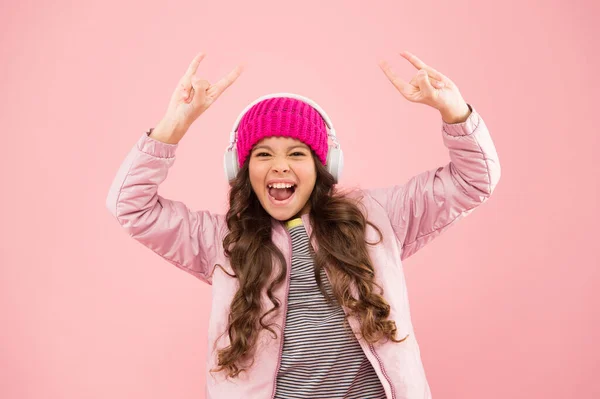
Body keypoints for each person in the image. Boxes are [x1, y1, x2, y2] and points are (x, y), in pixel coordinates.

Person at [106, 51, 501, 399]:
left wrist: (454, 112)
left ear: (322, 166)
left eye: (297, 152)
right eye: (263, 154)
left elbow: (473, 180)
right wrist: (173, 127)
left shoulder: (376, 219)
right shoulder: (222, 241)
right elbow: (131, 206)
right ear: (242, 170)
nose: (280, 166)